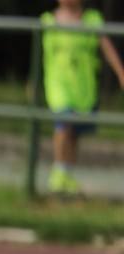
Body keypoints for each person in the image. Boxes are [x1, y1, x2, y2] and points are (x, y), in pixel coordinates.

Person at [41, 0, 124, 194]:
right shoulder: (48, 20)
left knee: (74, 130)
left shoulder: (92, 19)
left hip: (83, 86)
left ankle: (66, 173)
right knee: (64, 123)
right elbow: (42, 54)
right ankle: (58, 173)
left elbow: (106, 47)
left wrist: (120, 72)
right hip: (59, 83)